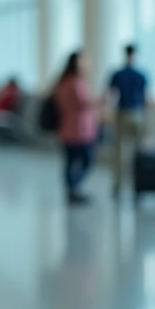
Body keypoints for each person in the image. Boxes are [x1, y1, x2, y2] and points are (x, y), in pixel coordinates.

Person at [55, 51, 98, 206]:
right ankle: (73, 187)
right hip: (80, 130)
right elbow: (84, 103)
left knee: (70, 161)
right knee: (87, 160)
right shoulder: (76, 83)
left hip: (66, 128)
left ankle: (71, 190)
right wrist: (101, 101)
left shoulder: (62, 82)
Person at [106, 44, 148, 197]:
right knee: (137, 152)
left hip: (123, 114)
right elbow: (146, 98)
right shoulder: (141, 75)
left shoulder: (118, 74)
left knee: (120, 151)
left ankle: (118, 185)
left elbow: (111, 95)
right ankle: (139, 184)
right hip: (137, 114)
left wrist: (109, 113)